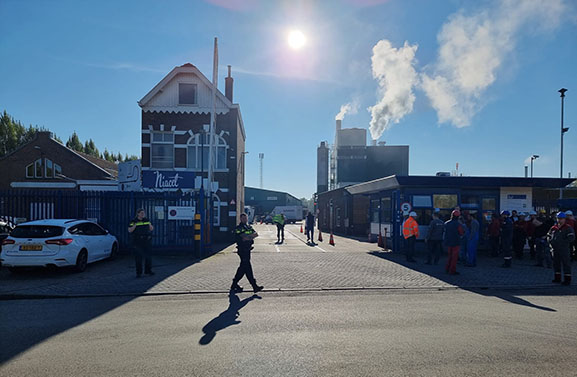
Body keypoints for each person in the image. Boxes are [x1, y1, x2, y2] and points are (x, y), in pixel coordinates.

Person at [231, 213, 264, 293]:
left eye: (245, 218)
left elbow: (255, 234)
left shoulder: (248, 227)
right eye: (243, 218)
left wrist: (248, 237)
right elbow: (242, 238)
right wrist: (249, 236)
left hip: (248, 249)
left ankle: (234, 285)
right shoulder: (239, 228)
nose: (244, 220)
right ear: (240, 219)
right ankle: (254, 286)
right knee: (247, 268)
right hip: (242, 250)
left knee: (243, 268)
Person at [548, 211, 575, 285]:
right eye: (558, 218)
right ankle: (557, 278)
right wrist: (550, 241)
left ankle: (567, 279)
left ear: (564, 219)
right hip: (555, 249)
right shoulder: (553, 228)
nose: (560, 220)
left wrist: (563, 243)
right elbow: (549, 235)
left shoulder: (568, 228)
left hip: (564, 249)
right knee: (556, 264)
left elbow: (571, 237)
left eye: (561, 218)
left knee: (566, 264)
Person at [128, 208, 154, 278]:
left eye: (144, 213)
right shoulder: (133, 221)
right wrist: (135, 225)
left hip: (146, 240)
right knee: (138, 258)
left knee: (148, 257)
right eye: (141, 213)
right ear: (138, 214)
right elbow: (130, 230)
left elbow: (151, 229)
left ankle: (148, 271)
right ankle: (139, 273)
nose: (143, 214)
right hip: (138, 241)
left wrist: (150, 224)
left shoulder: (146, 220)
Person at [444, 210, 465, 275]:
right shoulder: (458, 224)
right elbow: (461, 233)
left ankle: (447, 268)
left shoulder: (446, 223)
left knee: (449, 256)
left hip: (448, 242)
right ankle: (452, 270)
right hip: (456, 242)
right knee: (454, 257)